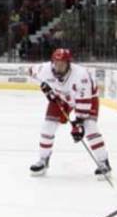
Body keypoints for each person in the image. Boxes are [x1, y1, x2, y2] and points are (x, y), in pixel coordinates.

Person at [29, 48, 111, 177]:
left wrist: (78, 124)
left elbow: (84, 102)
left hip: (87, 98)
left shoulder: (81, 75)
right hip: (61, 98)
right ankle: (43, 160)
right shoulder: (44, 69)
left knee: (90, 127)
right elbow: (30, 71)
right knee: (47, 127)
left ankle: (103, 162)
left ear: (68, 63)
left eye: (62, 64)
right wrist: (45, 87)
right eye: (56, 63)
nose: (59, 67)